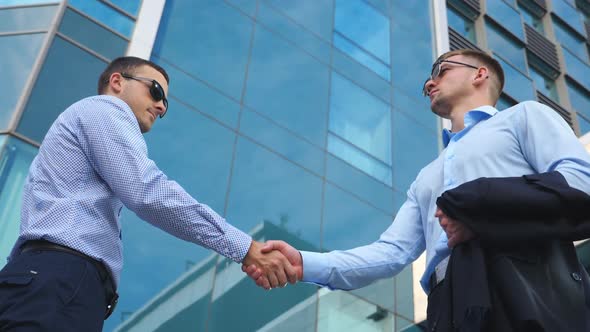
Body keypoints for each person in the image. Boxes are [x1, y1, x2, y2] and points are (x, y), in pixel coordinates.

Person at [243, 49, 590, 330]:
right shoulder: (426, 177)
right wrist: (304, 263)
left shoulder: (523, 118)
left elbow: (579, 183)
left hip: (526, 279)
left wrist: (481, 215)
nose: (429, 82)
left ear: (479, 74)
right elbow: (390, 253)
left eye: (441, 70)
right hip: (448, 302)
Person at [0, 56, 296, 332]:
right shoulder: (105, 109)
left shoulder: (80, 131)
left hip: (44, 281)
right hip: (59, 281)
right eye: (155, 91)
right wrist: (244, 247)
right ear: (117, 82)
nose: (162, 106)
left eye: (165, 101)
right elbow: (147, 191)